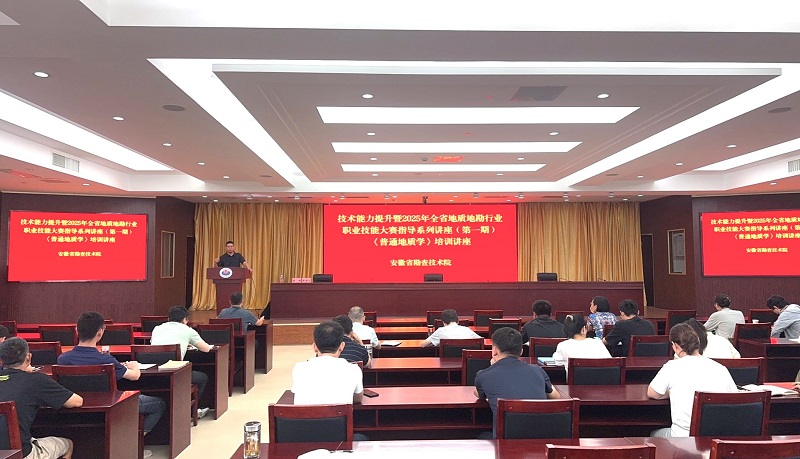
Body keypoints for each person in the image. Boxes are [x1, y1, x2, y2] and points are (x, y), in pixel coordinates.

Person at [57, 312, 165, 459]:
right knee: (159, 404)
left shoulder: (62, 359)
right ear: (100, 333)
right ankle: (133, 444)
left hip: (75, 410)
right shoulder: (106, 360)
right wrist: (135, 366)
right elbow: (134, 376)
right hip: (111, 410)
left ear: (77, 331)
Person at [647, 322, 738, 437]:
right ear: (698, 343)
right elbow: (734, 399)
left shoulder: (672, 367)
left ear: (675, 346)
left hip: (682, 439)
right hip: (716, 437)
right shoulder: (721, 368)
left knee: (653, 434)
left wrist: (671, 392)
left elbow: (652, 393)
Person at [0, 337, 83, 459]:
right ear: (28, 358)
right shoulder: (35, 380)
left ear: (1, 361)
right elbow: (76, 402)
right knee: (67, 444)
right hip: (20, 455)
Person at [474, 327, 560, 438]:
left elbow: (478, 394)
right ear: (521, 351)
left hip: (505, 443)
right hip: (541, 440)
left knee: (482, 436)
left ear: (494, 350)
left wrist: (492, 368)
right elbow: (556, 397)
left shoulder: (484, 375)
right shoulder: (537, 370)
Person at [150, 306, 214, 419]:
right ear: (184, 319)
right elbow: (206, 349)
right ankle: (193, 411)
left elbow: (155, 345)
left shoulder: (157, 328)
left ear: (169, 318)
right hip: (175, 374)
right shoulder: (187, 330)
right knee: (203, 378)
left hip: (154, 373)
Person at [291, 321, 363, 405]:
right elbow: (358, 398)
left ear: (314, 347)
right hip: (339, 414)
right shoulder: (353, 369)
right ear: (342, 346)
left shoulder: (299, 368)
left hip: (304, 414)